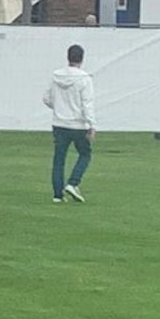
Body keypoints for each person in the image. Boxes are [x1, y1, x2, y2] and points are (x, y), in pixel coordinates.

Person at [41, 43, 95, 202]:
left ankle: (57, 195)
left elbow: (46, 98)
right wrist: (92, 125)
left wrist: (58, 107)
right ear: (82, 59)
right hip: (78, 124)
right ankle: (73, 182)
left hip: (59, 123)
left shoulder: (56, 76)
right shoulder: (85, 79)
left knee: (59, 158)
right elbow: (87, 103)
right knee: (85, 154)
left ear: (68, 57)